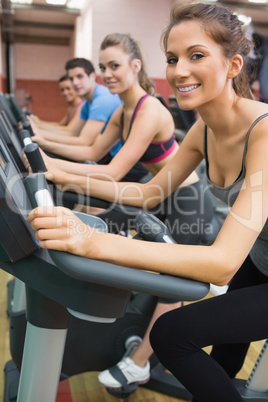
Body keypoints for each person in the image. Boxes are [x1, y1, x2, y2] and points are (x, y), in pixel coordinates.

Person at [27, 3, 268, 401]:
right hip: (260, 260)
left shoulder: (262, 133)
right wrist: (62, 173)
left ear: (233, 65)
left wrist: (92, 242)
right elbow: (147, 192)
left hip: (248, 260)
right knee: (222, 357)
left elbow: (222, 265)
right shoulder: (203, 130)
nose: (179, 71)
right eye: (173, 59)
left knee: (172, 334)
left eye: (197, 56)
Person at [27, 32, 214, 388]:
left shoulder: (149, 109)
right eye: (103, 67)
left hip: (187, 202)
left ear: (135, 66)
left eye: (114, 66)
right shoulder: (122, 109)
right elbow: (91, 153)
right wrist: (49, 157)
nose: (107, 74)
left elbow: (113, 172)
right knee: (103, 225)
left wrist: (60, 171)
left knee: (171, 285)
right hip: (158, 195)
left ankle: (140, 363)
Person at [28, 57, 122, 161]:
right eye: (71, 79)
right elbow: (72, 133)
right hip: (107, 155)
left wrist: (43, 138)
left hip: (118, 159)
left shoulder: (102, 99)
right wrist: (38, 132)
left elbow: (84, 141)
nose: (75, 83)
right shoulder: (87, 103)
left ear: (92, 77)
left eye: (80, 77)